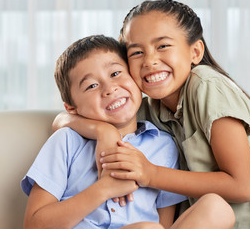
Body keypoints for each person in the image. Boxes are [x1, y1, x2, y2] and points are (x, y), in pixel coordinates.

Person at [52, 0, 250, 229]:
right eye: (136, 52)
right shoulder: (150, 107)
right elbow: (61, 120)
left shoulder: (206, 85)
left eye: (163, 46)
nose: (150, 61)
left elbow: (242, 186)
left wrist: (150, 173)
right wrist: (103, 131)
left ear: (195, 52)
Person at [21, 35, 235, 229]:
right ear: (71, 108)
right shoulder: (66, 141)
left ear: (135, 77)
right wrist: (104, 189)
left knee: (217, 207)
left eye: (115, 73)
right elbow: (34, 224)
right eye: (92, 86)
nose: (109, 88)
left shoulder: (163, 145)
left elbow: (165, 222)